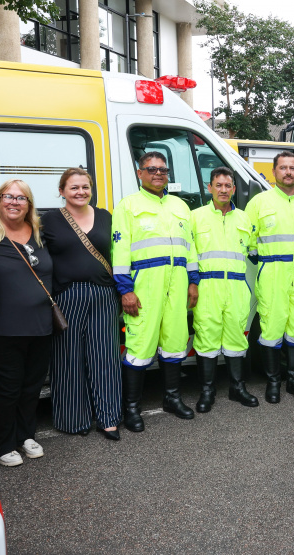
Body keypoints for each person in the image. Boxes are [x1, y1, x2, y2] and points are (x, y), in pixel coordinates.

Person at [112, 152, 199, 430]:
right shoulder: (128, 206)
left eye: (163, 169)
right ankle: (132, 409)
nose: (158, 173)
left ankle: (172, 399)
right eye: (151, 169)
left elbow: (191, 247)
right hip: (144, 284)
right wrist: (126, 289)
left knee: (175, 342)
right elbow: (120, 250)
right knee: (140, 345)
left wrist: (193, 281)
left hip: (178, 281)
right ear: (140, 173)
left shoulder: (181, 206)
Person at [41, 168, 122, 440]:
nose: (80, 192)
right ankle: (74, 420)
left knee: (105, 356)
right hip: (67, 296)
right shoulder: (48, 221)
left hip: (103, 294)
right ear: (62, 191)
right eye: (74, 187)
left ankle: (109, 418)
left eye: (85, 187)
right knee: (67, 358)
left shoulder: (105, 217)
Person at [0, 180, 53, 467]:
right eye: (7, 196)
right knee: (6, 390)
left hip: (40, 326)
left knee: (31, 387)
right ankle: (0, 445)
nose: (14, 202)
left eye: (21, 198)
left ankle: (26, 435)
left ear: (29, 204)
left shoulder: (39, 232)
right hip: (1, 329)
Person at [245, 152, 294, 403]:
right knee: (271, 327)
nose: (288, 172)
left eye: (293, 168)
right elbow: (248, 241)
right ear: (274, 171)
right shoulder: (259, 202)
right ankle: (273, 382)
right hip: (272, 272)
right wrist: (263, 262)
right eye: (283, 168)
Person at [191, 167, 259, 410]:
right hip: (207, 285)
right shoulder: (195, 216)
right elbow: (189, 254)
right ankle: (207, 392)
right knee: (206, 336)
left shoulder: (243, 218)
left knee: (236, 336)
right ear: (210, 188)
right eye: (218, 185)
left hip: (237, 286)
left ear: (233, 189)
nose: (222, 189)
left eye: (227, 185)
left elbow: (253, 251)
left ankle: (237, 388)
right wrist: (192, 284)